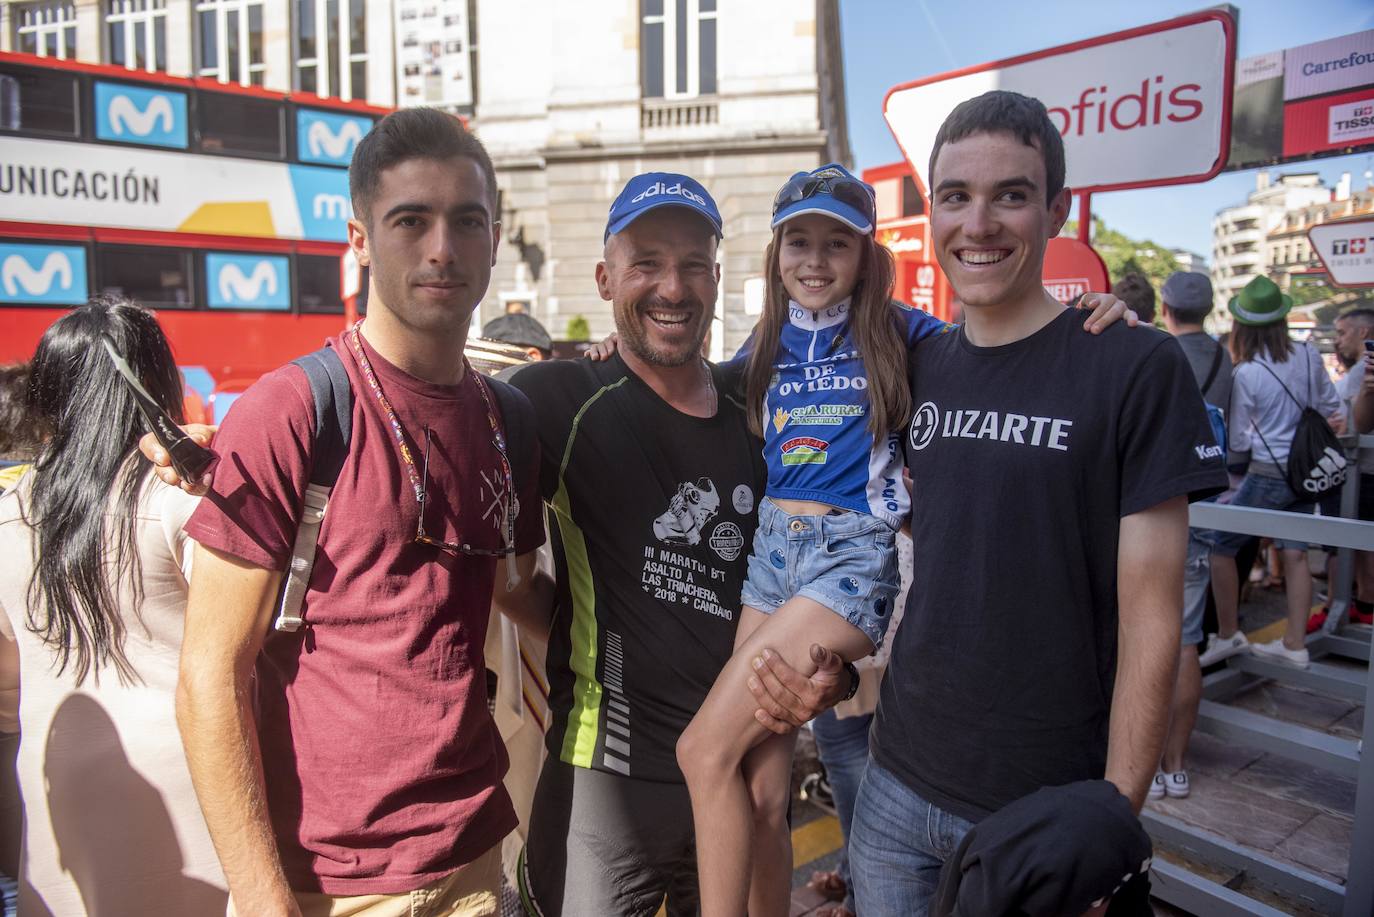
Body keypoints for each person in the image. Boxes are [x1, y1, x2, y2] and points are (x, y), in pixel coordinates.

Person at [848, 90, 1227, 916]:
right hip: (894, 787)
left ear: (1054, 209)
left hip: (1039, 808)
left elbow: (1153, 615)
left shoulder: (1133, 366)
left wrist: (1111, 814)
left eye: (1010, 195)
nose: (977, 223)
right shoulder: (918, 364)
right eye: (955, 196)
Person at [173, 108, 546, 916]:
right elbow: (209, 674)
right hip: (325, 884)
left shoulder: (510, 420)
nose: (442, 247)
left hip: (473, 856)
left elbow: (519, 592)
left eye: (467, 221)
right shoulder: (293, 411)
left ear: (492, 237)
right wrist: (265, 899)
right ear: (361, 239)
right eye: (411, 220)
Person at [500, 172, 854, 917]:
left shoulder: (762, 407)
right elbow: (496, 567)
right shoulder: (562, 400)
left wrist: (836, 677)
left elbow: (826, 558)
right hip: (605, 778)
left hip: (744, 772)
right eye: (647, 263)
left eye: (694, 264)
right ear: (605, 278)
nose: (673, 286)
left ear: (718, 278)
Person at [670, 163, 949, 917]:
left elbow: (999, 347)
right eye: (800, 241)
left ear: (867, 256)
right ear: (776, 252)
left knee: (701, 751)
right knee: (761, 788)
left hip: (849, 559)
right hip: (769, 556)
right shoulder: (768, 342)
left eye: (837, 243)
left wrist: (1084, 314)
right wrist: (605, 356)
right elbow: (681, 386)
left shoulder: (902, 331)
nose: (816, 261)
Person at [0, 297, 227, 916]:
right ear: (158, 382)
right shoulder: (185, 501)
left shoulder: (11, 513)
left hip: (57, 778)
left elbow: (7, 687)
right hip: (192, 779)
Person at [1204, 275, 1341, 671]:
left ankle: (1228, 633)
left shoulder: (1247, 372)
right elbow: (1330, 406)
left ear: (1241, 326)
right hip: (1306, 470)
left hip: (1268, 472)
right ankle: (1295, 643)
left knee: (1220, 546)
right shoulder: (1310, 355)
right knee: (1295, 553)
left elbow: (1242, 439)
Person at [1151, 270, 1232, 801]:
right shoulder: (1227, 359)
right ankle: (1177, 765)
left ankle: (1143, 761)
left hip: (1156, 507)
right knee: (1183, 644)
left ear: (1166, 306)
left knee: (1141, 636)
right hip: (1208, 506)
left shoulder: (1151, 350)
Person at [1320, 307, 1374, 626]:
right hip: (1361, 471)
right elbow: (1361, 422)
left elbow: (1357, 426)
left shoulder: (1358, 373)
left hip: (1363, 473)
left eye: (1342, 333)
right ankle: (1362, 609)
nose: (1338, 340)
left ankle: (1361, 608)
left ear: (1363, 333)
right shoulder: (1362, 371)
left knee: (1362, 552)